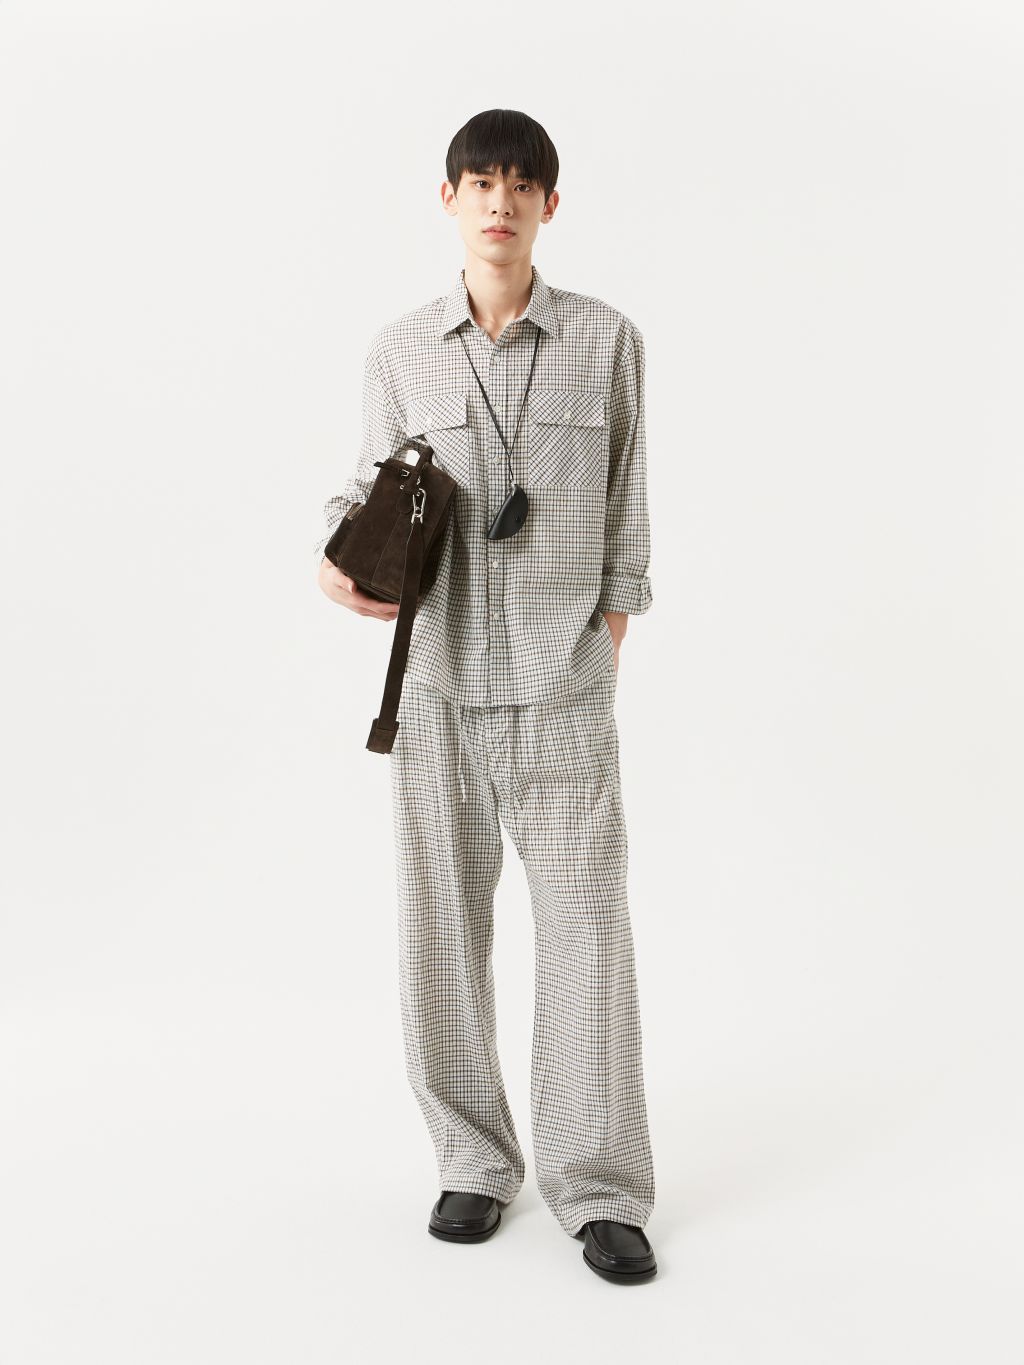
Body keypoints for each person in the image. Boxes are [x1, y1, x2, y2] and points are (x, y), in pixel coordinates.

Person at [314, 108, 657, 1284]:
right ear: (449, 198)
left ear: (549, 205)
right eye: (479, 182)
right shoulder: (400, 350)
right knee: (441, 930)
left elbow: (626, 504)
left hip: (564, 690)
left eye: (520, 184)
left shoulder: (606, 341)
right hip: (438, 688)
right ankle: (471, 1160)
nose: (499, 201)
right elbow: (367, 485)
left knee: (586, 934)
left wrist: (608, 632)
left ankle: (598, 1187)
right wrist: (333, 554)